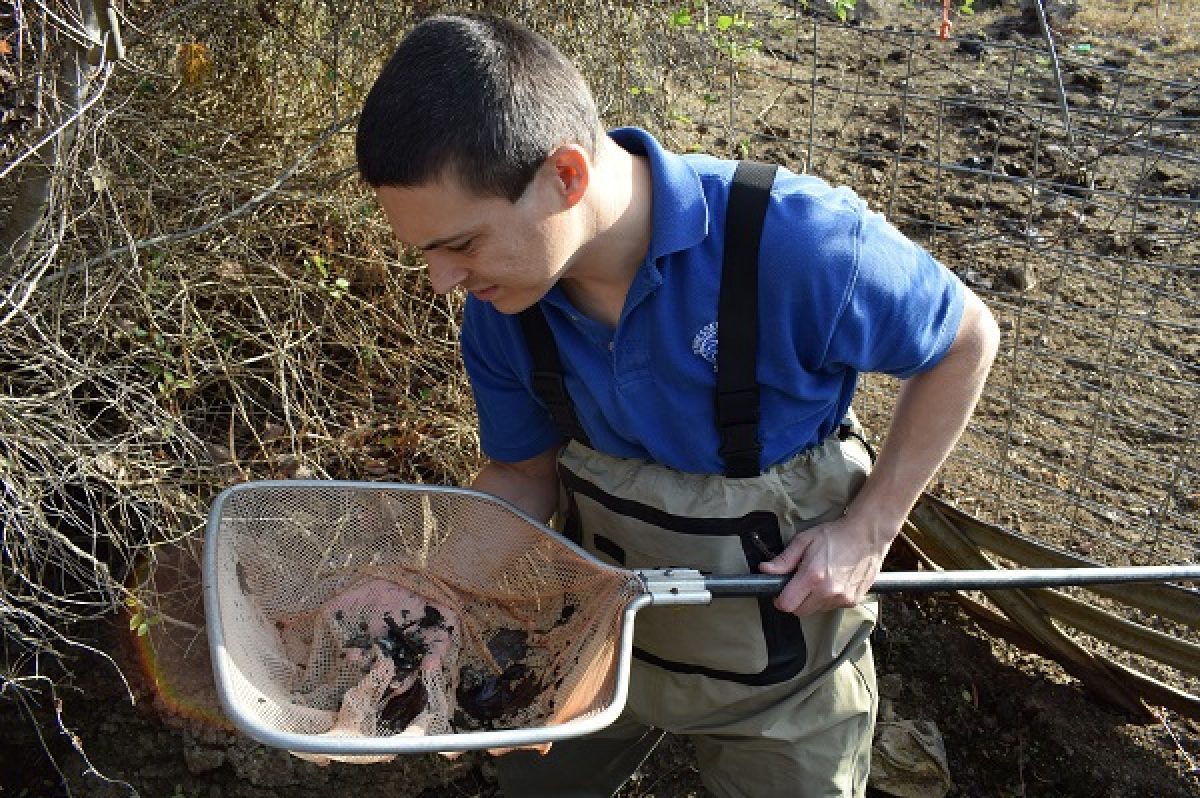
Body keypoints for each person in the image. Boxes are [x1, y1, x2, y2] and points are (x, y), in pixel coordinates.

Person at [355, 12, 999, 798]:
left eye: (459, 244)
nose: (440, 281)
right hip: (600, 641)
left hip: (784, 672)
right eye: (423, 252)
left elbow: (966, 340)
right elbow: (522, 477)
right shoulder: (503, 306)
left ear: (566, 175)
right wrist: (429, 596)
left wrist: (870, 527)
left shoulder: (797, 243)